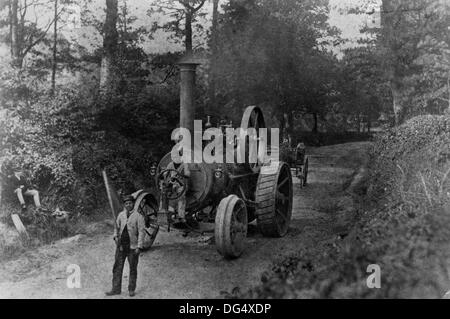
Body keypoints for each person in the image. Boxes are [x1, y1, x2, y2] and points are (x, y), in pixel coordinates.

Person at [106, 195, 146, 297]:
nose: (128, 205)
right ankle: (116, 289)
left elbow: (141, 232)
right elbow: (116, 227)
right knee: (117, 268)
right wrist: (115, 236)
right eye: (126, 203)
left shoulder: (138, 216)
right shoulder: (120, 215)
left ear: (133, 204)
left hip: (132, 247)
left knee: (133, 268)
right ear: (124, 205)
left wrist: (139, 247)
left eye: (130, 203)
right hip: (121, 247)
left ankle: (131, 289)